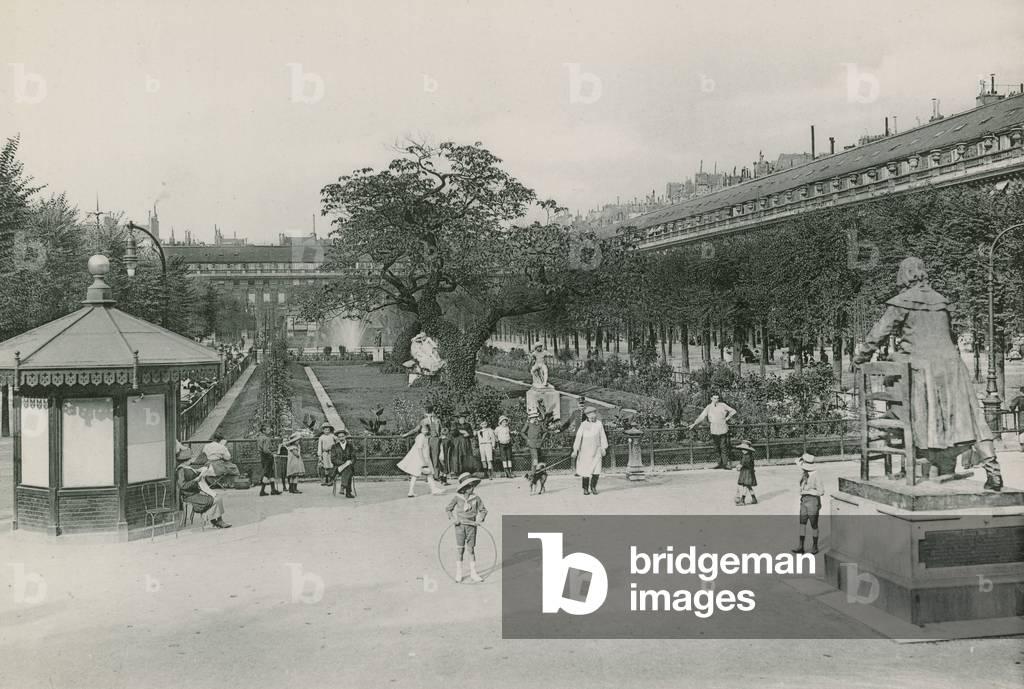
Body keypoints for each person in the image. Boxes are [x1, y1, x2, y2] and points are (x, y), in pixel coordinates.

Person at [854, 257, 1002, 490]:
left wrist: (860, 357)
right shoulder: (940, 301)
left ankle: (919, 460)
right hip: (953, 367)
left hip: (923, 370)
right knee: (971, 417)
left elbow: (879, 333)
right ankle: (993, 471)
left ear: (903, 275)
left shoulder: (903, 301)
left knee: (915, 413)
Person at [446, 472, 488, 583]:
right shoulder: (457, 498)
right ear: (464, 488)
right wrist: (453, 519)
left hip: (471, 527)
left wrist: (479, 520)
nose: (472, 487)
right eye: (469, 486)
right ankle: (459, 573)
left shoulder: (476, 498)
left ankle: (473, 573)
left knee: (471, 549)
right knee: (460, 550)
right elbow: (448, 509)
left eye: (473, 485)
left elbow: (483, 510)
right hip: (459, 527)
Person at [176, 452, 231, 528]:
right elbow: (182, 485)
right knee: (215, 499)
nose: (191, 461)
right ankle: (217, 521)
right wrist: (195, 480)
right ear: (185, 461)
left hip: (195, 492)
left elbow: (191, 474)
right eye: (189, 459)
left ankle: (217, 520)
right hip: (189, 495)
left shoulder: (186, 467)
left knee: (217, 497)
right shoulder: (181, 470)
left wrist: (201, 471)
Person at [688, 393, 738, 469]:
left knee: (723, 447)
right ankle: (719, 463)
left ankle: (725, 464)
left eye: (717, 398)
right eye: (714, 398)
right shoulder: (709, 407)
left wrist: (727, 418)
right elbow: (702, 416)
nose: (716, 400)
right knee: (716, 447)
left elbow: (733, 411)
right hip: (714, 429)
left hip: (723, 428)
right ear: (711, 398)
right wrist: (694, 424)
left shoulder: (723, 405)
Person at [397, 423, 444, 497]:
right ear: (420, 430)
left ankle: (412, 491)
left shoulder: (423, 437)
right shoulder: (421, 437)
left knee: (422, 475)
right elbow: (419, 449)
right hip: (422, 459)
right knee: (423, 474)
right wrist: (423, 461)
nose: (425, 430)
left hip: (424, 458)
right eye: (423, 429)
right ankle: (432, 489)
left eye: (426, 429)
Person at [571, 406, 608, 496]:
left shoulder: (599, 424)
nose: (593, 418)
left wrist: (604, 448)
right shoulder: (583, 425)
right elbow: (578, 438)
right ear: (587, 416)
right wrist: (575, 450)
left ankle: (593, 487)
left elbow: (602, 436)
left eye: (594, 416)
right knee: (585, 471)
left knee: (596, 471)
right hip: (585, 452)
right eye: (591, 417)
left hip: (597, 451)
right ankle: (585, 489)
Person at [403, 404, 443, 479]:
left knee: (435, 458)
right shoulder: (423, 421)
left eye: (431, 412)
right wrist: (406, 434)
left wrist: (440, 439)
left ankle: (436, 475)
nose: (430, 414)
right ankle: (428, 476)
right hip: (427, 440)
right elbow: (416, 429)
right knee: (427, 458)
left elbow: (441, 431)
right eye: (428, 412)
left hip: (435, 440)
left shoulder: (438, 420)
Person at [793, 453, 823, 554]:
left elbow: (821, 491)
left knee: (814, 525)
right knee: (802, 524)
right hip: (804, 501)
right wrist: (802, 458)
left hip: (813, 501)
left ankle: (815, 546)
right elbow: (796, 461)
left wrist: (807, 491)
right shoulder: (805, 472)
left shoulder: (816, 475)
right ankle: (801, 546)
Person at [256, 426, 282, 496]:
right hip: (267, 457)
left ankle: (273, 490)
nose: (269, 430)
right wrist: (272, 454)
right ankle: (262, 491)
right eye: (268, 429)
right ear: (264, 431)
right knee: (267, 473)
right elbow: (266, 450)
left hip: (263, 457)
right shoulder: (266, 438)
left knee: (271, 473)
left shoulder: (259, 437)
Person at [331, 428, 357, 498]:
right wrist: (344, 463)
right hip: (338, 468)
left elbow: (354, 457)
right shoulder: (334, 447)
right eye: (339, 437)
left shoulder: (350, 446)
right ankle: (348, 492)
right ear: (338, 438)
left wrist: (351, 462)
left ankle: (343, 486)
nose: (341, 438)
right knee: (348, 469)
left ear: (345, 436)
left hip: (349, 466)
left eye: (342, 436)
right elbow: (333, 459)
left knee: (348, 468)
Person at [734, 440, 758, 506]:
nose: (743, 450)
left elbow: (746, 463)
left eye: (745, 449)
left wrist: (740, 466)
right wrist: (740, 466)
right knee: (749, 486)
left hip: (748, 473)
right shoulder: (745, 455)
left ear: (748, 449)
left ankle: (742, 500)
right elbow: (742, 463)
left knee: (745, 486)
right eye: (742, 449)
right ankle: (754, 499)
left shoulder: (748, 456)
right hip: (746, 472)